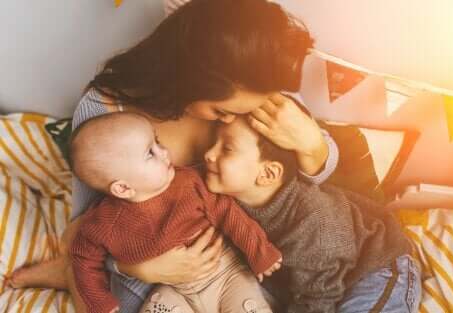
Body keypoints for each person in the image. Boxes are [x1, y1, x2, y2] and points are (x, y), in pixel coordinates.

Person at [7, 0, 339, 312]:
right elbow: (87, 226)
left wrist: (312, 145)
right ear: (190, 78)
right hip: (153, 268)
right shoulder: (108, 113)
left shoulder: (258, 90)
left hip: (240, 258)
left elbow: (311, 184)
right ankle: (67, 274)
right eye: (220, 110)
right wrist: (134, 266)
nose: (230, 120)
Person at [141, 116, 422, 313]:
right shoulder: (218, 188)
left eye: (226, 149)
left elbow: (317, 300)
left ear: (268, 173)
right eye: (214, 143)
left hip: (375, 268)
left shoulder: (313, 223)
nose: (209, 155)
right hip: (299, 276)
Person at [69, 112, 282, 313]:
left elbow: (227, 211)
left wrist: (259, 251)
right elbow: (82, 257)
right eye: (150, 153)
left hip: (226, 274)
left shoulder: (189, 181)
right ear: (123, 188)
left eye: (157, 141)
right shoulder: (104, 222)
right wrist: (99, 301)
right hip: (175, 289)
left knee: (246, 305)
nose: (164, 151)